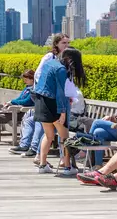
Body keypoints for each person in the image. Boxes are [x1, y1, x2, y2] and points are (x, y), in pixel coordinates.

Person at [34, 47, 86, 176]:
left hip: (41, 102)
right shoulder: (61, 69)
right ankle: (68, 167)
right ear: (69, 59)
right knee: (64, 136)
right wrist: (62, 112)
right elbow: (60, 92)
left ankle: (42, 164)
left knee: (48, 135)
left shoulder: (49, 64)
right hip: (53, 104)